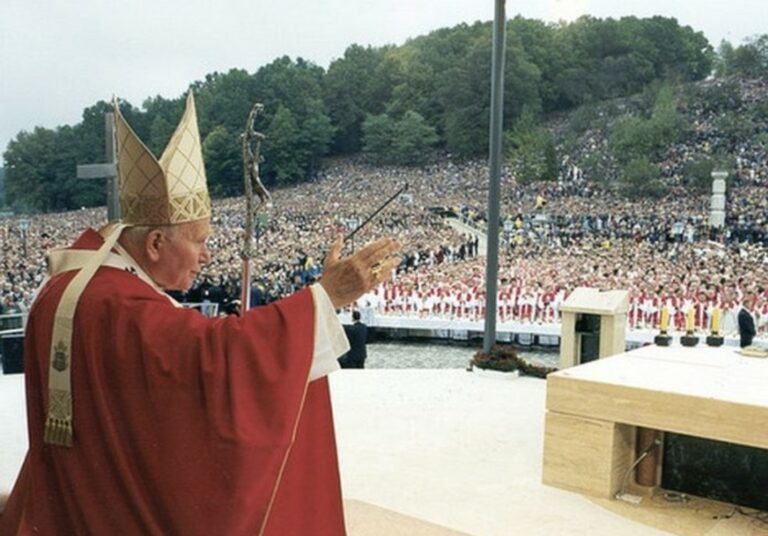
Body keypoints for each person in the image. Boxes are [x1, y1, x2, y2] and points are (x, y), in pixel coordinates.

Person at [0, 93, 401, 536]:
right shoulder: (120, 306)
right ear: (154, 243)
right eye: (199, 240)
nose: (207, 255)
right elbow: (211, 358)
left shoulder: (72, 282)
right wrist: (324, 298)